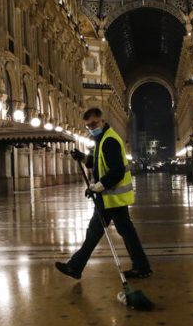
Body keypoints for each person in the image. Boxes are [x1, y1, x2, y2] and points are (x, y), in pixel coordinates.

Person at [55, 107, 152, 280]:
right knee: (115, 232)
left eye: (93, 124)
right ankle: (141, 266)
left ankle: (76, 266)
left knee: (100, 232)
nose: (91, 128)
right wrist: (83, 157)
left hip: (111, 197)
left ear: (102, 121)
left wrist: (96, 187)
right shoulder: (100, 139)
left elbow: (117, 172)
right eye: (88, 126)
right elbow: (96, 163)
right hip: (109, 198)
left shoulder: (109, 141)